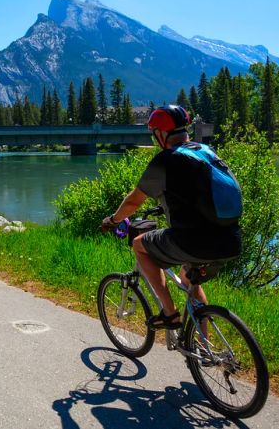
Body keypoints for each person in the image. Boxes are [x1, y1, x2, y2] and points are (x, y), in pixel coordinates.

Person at [102, 105, 242, 330]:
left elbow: (133, 202)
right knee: (189, 280)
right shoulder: (205, 151)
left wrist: (113, 220)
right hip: (231, 240)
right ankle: (203, 348)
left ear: (160, 133)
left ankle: (170, 314)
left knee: (139, 245)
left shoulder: (166, 160)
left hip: (194, 241)